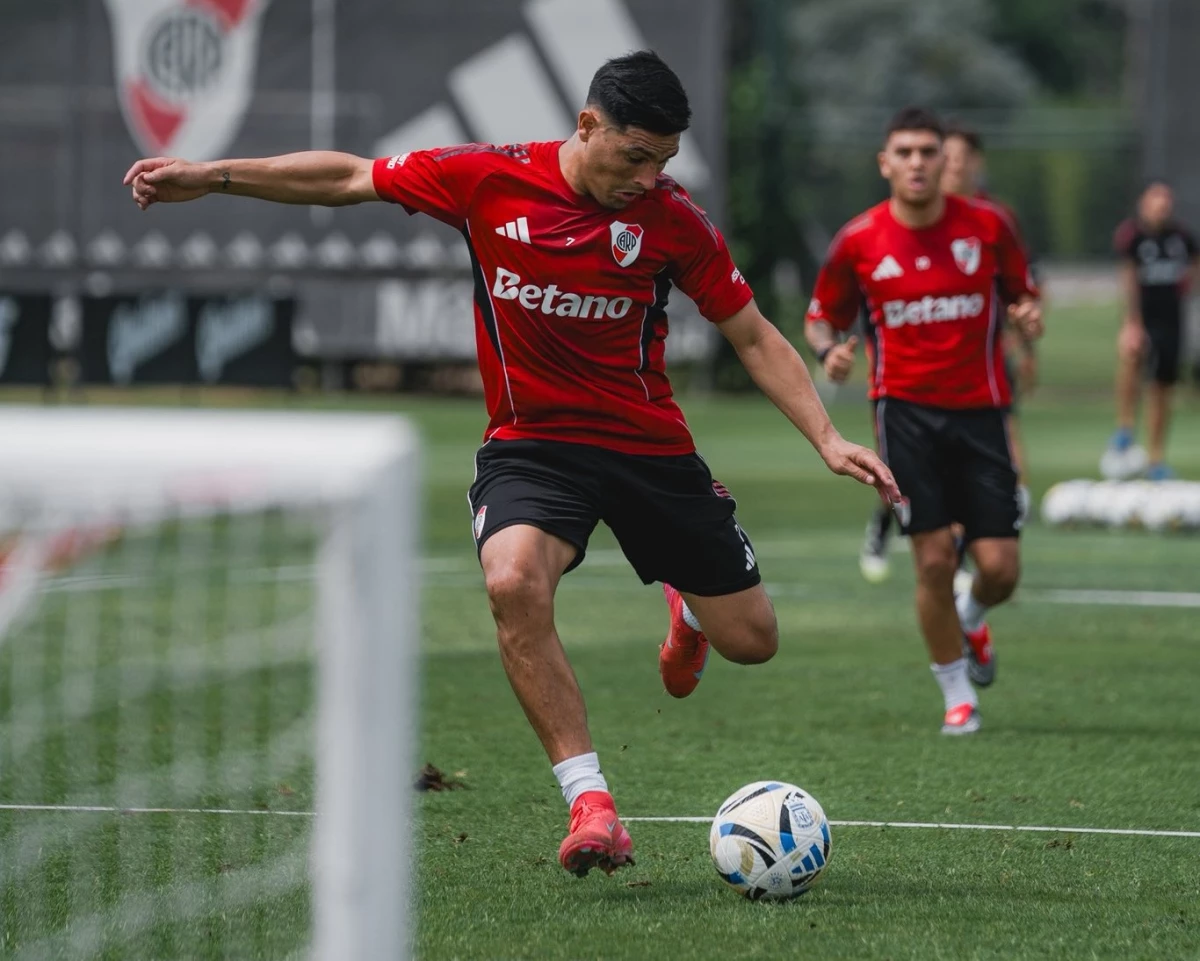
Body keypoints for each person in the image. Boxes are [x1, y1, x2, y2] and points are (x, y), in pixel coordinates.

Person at [125, 51, 898, 877]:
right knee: (511, 582)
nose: (648, 177)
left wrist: (826, 435)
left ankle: (688, 606)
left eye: (663, 162)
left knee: (753, 640)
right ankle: (591, 802)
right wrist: (212, 176)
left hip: (648, 448)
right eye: (634, 156)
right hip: (532, 446)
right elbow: (349, 176)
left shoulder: (675, 223)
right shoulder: (488, 181)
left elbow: (751, 333)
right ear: (587, 124)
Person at [806, 106, 1042, 735]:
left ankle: (971, 614)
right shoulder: (859, 240)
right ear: (885, 163)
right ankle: (956, 694)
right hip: (904, 414)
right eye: (904, 152)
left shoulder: (989, 227)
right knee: (933, 559)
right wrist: (829, 350)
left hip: (983, 413)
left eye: (928, 152)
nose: (917, 162)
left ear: (947, 161)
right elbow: (821, 317)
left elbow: (1024, 293)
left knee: (1001, 569)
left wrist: (1028, 316)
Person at [857, 121, 1035, 584]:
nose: (942, 166)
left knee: (989, 481)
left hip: (980, 375)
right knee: (909, 487)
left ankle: (972, 558)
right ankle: (890, 530)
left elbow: (1022, 293)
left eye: (952, 158)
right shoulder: (879, 233)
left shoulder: (992, 223)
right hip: (907, 391)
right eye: (944, 157)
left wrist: (1026, 332)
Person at [1102, 179, 1199, 481]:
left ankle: (1156, 458)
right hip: (1142, 318)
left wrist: (1187, 288)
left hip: (1172, 322)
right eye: (1156, 198)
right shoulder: (1133, 236)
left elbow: (1194, 266)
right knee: (1132, 361)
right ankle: (1125, 427)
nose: (1162, 204)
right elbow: (1127, 278)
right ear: (1143, 202)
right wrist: (1131, 322)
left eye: (1166, 198)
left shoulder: (1182, 237)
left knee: (1162, 386)